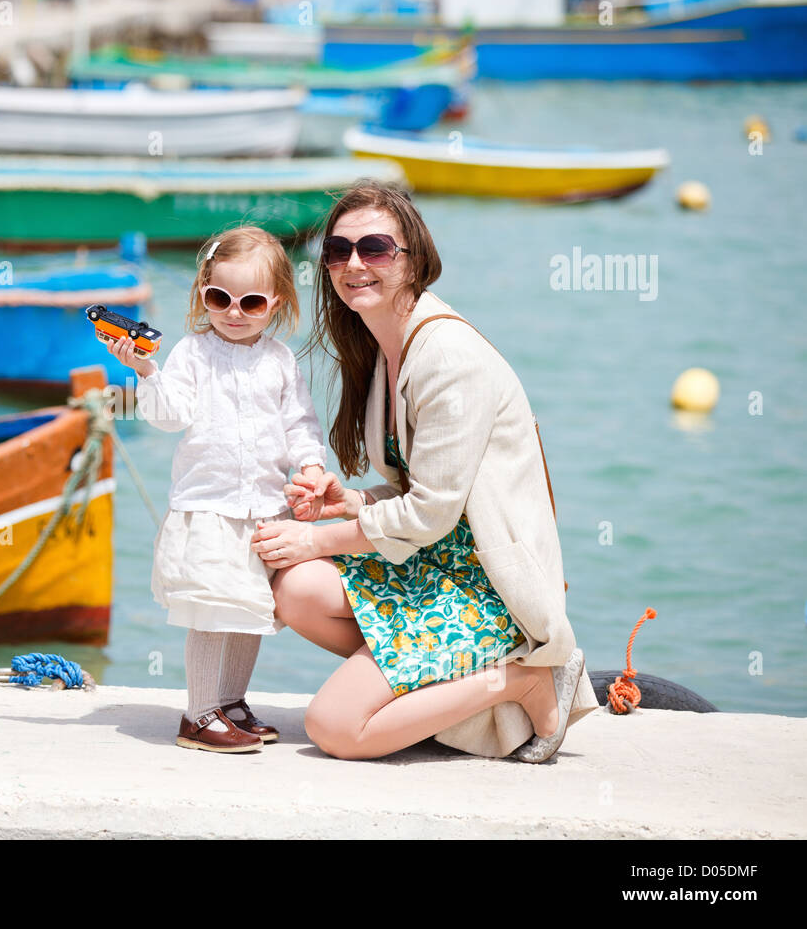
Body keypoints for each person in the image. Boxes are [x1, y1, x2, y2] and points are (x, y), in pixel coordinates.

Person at [250, 180, 598, 762]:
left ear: (414, 261)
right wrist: (350, 501)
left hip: (483, 588)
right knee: (297, 590)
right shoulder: (386, 348)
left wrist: (314, 537)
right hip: (435, 565)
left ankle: (523, 679)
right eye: (338, 251)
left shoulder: (446, 357)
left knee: (335, 728)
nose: (353, 264)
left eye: (375, 249)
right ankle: (439, 694)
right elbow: (423, 492)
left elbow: (432, 513)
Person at [105, 226, 328, 754]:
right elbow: (168, 416)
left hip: (266, 509)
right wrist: (145, 372)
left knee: (249, 610)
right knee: (211, 611)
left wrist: (312, 466)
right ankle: (198, 714)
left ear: (276, 302)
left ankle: (231, 702)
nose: (233, 311)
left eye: (250, 302)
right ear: (203, 291)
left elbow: (300, 423)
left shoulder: (279, 359)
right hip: (208, 508)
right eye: (219, 298)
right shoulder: (192, 353)